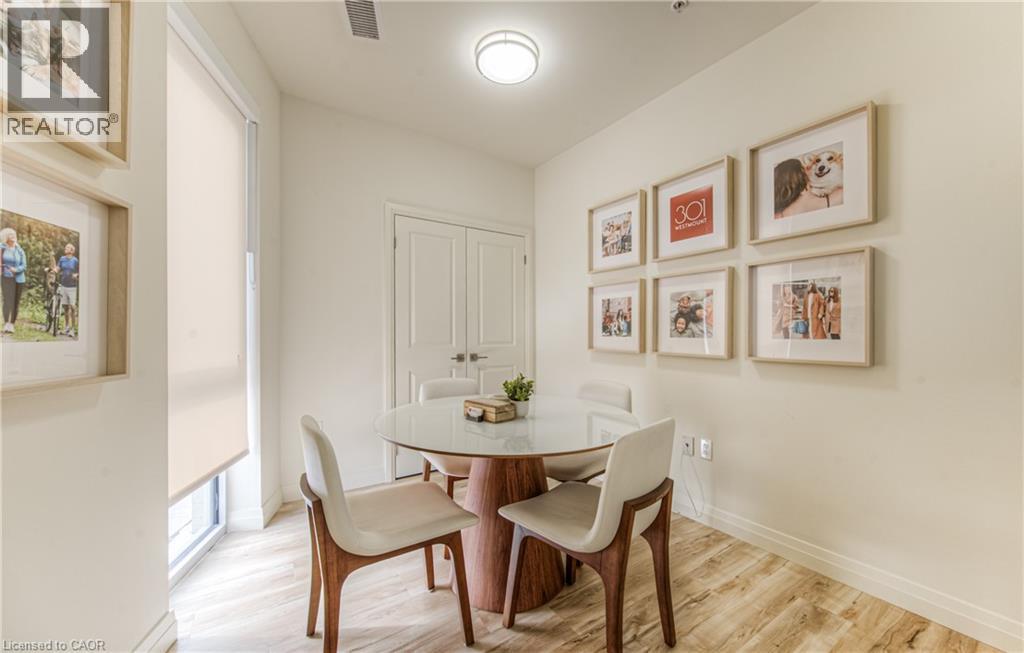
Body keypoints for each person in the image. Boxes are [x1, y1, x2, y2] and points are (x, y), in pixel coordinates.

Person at [0, 228, 27, 334]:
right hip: (6, 278)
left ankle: (12, 324)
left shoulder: (19, 250)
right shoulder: (2, 247)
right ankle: (6, 323)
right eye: (10, 234)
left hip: (18, 279)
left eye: (14, 234)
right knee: (7, 300)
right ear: (6, 237)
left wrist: (17, 270)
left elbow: (24, 265)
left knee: (15, 301)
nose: (13, 236)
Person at [57, 243, 79, 337]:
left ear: (72, 251)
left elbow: (79, 271)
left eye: (68, 248)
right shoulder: (62, 259)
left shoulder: (75, 260)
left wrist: (77, 275)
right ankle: (66, 327)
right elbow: (58, 268)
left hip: (72, 287)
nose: (65, 248)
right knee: (65, 307)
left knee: (73, 307)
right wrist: (53, 270)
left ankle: (73, 329)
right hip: (63, 285)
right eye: (65, 247)